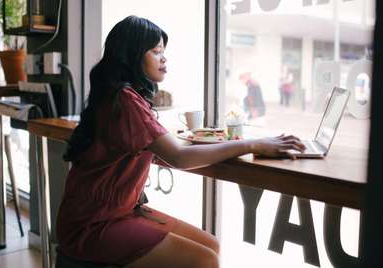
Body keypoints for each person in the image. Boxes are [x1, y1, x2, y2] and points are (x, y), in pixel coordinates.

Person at [56, 15, 305, 268]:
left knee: (212, 246)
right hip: (93, 224)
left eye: (164, 52)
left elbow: (163, 149)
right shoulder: (125, 100)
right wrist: (252, 144)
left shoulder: (121, 96)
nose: (164, 58)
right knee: (205, 260)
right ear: (132, 55)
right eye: (156, 51)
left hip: (113, 212)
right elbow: (179, 157)